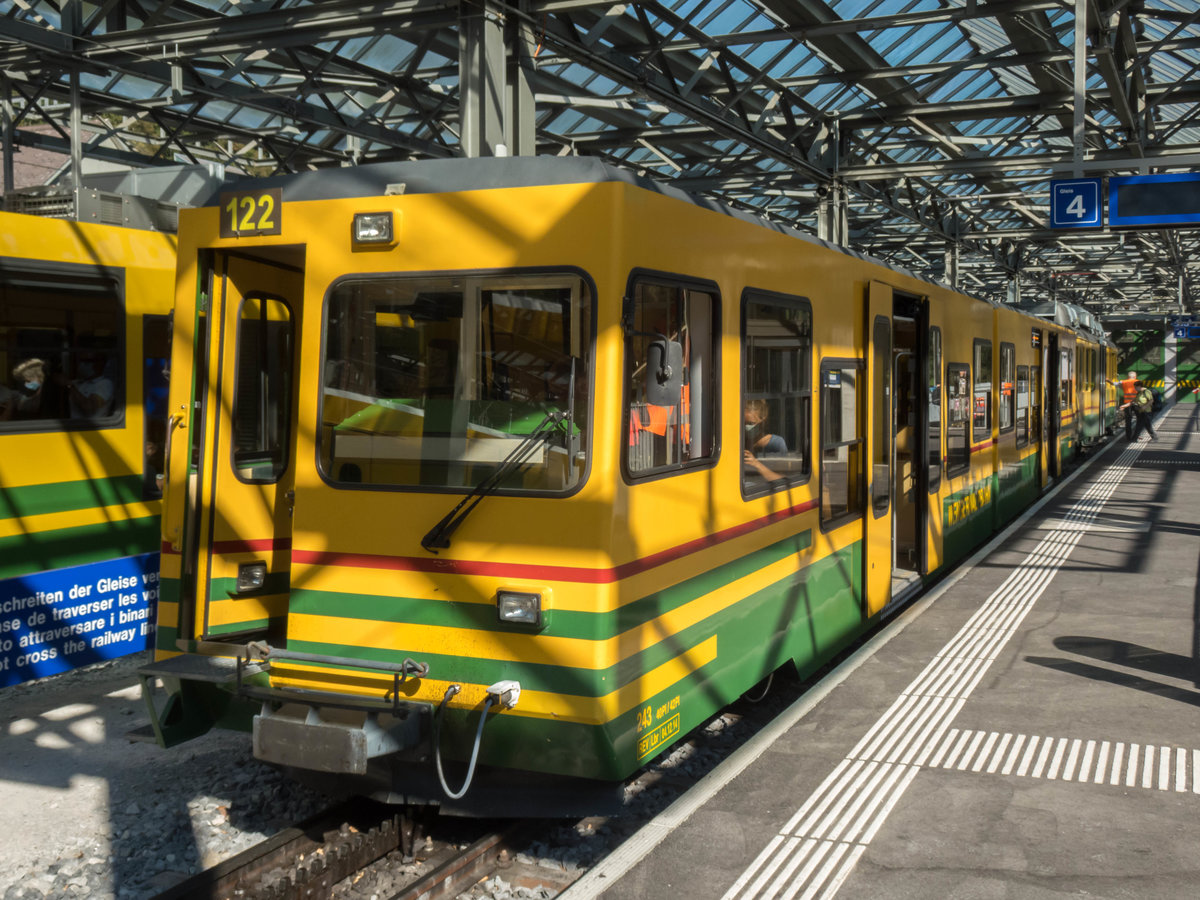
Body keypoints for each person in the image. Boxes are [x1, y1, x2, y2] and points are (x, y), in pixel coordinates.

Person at [67, 351, 114, 419]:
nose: (82, 364)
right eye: (81, 361)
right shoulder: (80, 382)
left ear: (99, 364)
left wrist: (69, 385)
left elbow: (89, 407)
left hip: (91, 428)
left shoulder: (105, 384)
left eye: (87, 361)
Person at [1108, 370, 1138, 440]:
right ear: (1135, 376)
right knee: (1139, 420)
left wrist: (1107, 380)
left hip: (1127, 404)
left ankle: (1128, 437)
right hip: (1137, 403)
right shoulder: (1138, 382)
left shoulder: (1123, 382)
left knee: (1128, 420)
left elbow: (1113, 384)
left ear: (1128, 377)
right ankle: (1136, 436)